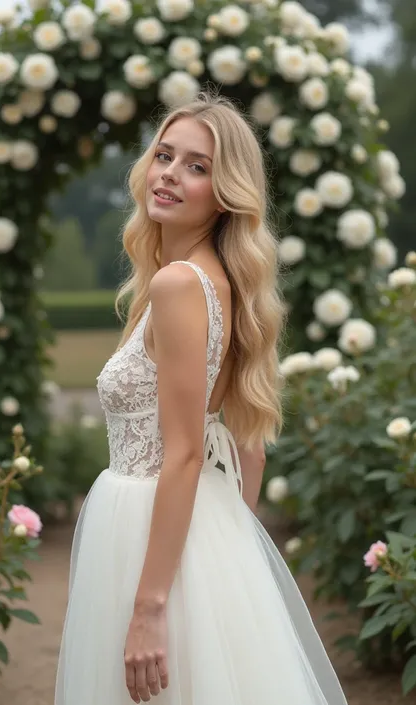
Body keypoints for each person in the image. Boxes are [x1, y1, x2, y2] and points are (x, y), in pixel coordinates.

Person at [55, 92, 348, 705]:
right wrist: (228, 555)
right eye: (165, 155)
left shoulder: (179, 285)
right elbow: (250, 448)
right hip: (200, 527)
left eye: (198, 166)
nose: (170, 174)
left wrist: (150, 606)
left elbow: (186, 453)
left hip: (148, 531)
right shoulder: (224, 283)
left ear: (226, 192)